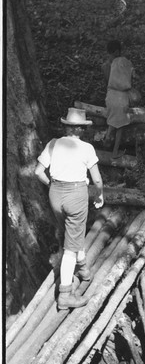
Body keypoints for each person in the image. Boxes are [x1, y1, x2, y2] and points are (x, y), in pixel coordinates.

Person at [35, 107, 104, 310]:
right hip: (76, 194)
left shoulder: (53, 144)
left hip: (55, 194)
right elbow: (97, 179)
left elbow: (38, 171)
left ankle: (82, 270)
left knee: (71, 234)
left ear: (66, 126)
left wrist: (54, 186)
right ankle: (65, 294)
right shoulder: (87, 148)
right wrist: (99, 195)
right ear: (82, 129)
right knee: (70, 247)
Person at [102, 39, 140, 158]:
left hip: (110, 95)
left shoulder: (106, 65)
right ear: (118, 51)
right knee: (121, 126)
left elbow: (107, 81)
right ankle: (115, 151)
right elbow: (134, 76)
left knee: (112, 120)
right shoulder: (126, 62)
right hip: (121, 97)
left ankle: (107, 138)